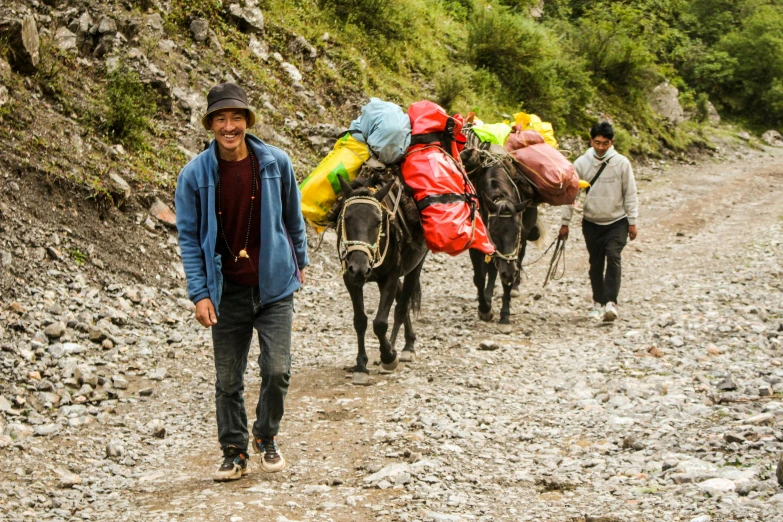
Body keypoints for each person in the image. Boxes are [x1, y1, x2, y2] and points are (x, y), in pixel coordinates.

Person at [175, 83, 308, 481]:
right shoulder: (194, 176)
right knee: (228, 379)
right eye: (220, 119)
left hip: (274, 288)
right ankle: (233, 450)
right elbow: (188, 238)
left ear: (248, 122)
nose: (228, 126)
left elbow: (293, 220)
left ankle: (265, 435)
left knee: (277, 370)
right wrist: (200, 293)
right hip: (227, 291)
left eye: (236, 118)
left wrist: (298, 265)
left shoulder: (276, 164)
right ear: (211, 125)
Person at [559, 121, 638, 322]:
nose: (601, 147)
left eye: (605, 143)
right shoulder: (580, 164)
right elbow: (570, 194)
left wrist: (632, 221)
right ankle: (597, 302)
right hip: (591, 221)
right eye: (597, 142)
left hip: (617, 220)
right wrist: (565, 222)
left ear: (612, 142)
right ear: (591, 141)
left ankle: (611, 302)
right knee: (595, 263)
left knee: (613, 257)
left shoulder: (621, 163)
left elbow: (630, 193)